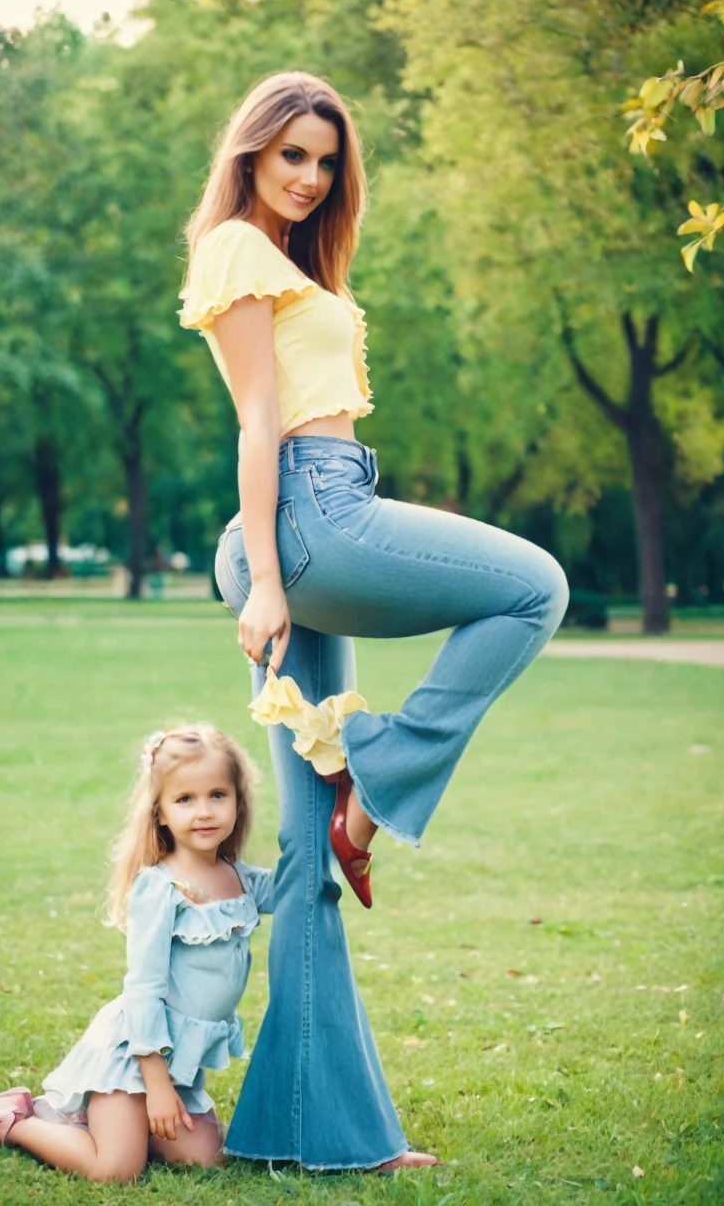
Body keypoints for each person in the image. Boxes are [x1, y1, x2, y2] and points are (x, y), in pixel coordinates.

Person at [178, 70, 569, 1172]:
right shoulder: (235, 251)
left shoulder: (291, 261)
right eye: (290, 153)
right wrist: (265, 577)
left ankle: (318, 1134)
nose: (306, 177)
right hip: (310, 518)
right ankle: (376, 766)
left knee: (303, 857)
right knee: (534, 585)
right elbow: (261, 423)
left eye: (324, 161)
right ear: (250, 150)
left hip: (308, 518)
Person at [0, 725, 274, 1183]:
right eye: (185, 799)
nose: (204, 812)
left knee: (204, 1159)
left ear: (239, 800)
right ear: (159, 812)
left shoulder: (239, 878)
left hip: (178, 1069)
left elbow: (300, 884)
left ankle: (132, 1125)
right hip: (136, 1059)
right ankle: (7, 1120)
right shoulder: (160, 888)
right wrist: (155, 1087)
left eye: (218, 795)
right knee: (115, 1169)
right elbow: (142, 991)